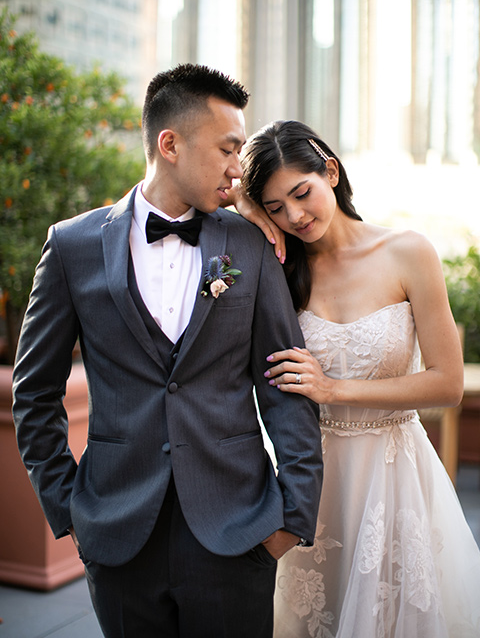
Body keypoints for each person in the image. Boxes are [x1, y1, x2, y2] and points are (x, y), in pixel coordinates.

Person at [12, 67, 323, 638]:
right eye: (228, 148)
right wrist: (70, 511)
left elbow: (286, 385)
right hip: (118, 533)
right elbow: (33, 395)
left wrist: (292, 517)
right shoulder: (72, 246)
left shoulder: (250, 244)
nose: (238, 167)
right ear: (170, 143)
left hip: (239, 532)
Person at [238, 119, 480, 637]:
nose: (295, 216)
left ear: (330, 170)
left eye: (301, 194)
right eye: (276, 207)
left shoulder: (407, 252)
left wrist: (332, 388)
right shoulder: (277, 268)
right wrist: (248, 210)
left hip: (394, 475)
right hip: (310, 480)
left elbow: (447, 383)